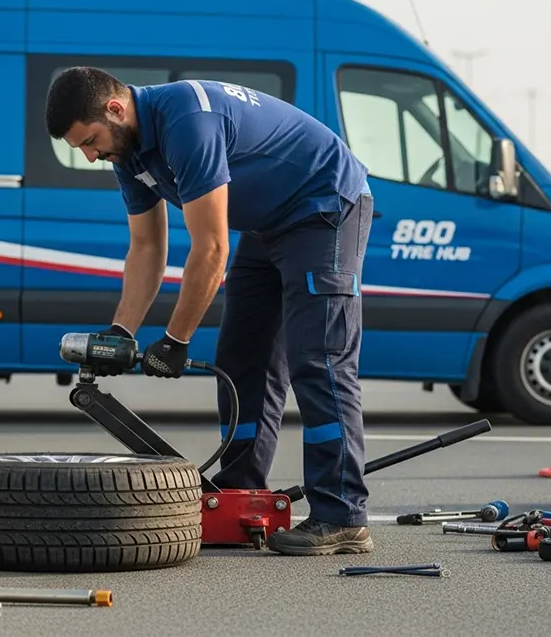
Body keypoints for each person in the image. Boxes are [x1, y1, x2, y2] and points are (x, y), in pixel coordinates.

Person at [43, 67, 375, 556]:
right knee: (241, 359)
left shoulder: (187, 121)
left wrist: (176, 341)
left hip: (324, 206)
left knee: (319, 359)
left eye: (90, 141)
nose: (91, 155)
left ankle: (342, 514)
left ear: (116, 109)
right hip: (268, 225)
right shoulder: (129, 152)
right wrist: (122, 332)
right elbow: (147, 248)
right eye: (82, 150)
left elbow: (212, 248)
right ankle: (241, 494)